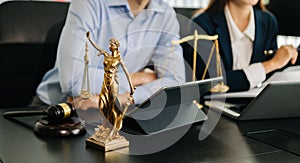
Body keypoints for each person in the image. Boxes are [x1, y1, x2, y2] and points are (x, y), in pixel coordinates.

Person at [32, 0, 185, 109]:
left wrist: (124, 98)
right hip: (55, 110)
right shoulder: (90, 3)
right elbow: (74, 80)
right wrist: (138, 78)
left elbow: (175, 81)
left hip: (113, 110)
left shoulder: (166, 15)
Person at [191, 0, 298, 92]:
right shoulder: (202, 24)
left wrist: (285, 58)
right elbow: (209, 84)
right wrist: (272, 64)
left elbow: (270, 77)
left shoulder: (268, 21)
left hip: (254, 107)